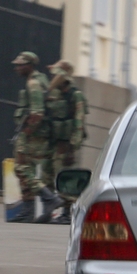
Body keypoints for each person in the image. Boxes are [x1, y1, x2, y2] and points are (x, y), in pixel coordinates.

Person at [11, 51, 61, 223]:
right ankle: (28, 210)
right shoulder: (40, 80)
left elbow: (37, 113)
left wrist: (27, 132)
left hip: (33, 135)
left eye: (21, 64)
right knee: (30, 170)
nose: (17, 67)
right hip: (40, 134)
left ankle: (48, 198)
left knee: (21, 168)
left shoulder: (33, 83)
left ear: (30, 65)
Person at [44, 60, 87, 223]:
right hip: (53, 143)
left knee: (65, 179)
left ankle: (68, 213)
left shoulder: (75, 95)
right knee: (48, 176)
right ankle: (49, 209)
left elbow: (79, 123)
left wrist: (72, 148)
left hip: (66, 144)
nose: (54, 77)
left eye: (57, 74)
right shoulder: (55, 94)